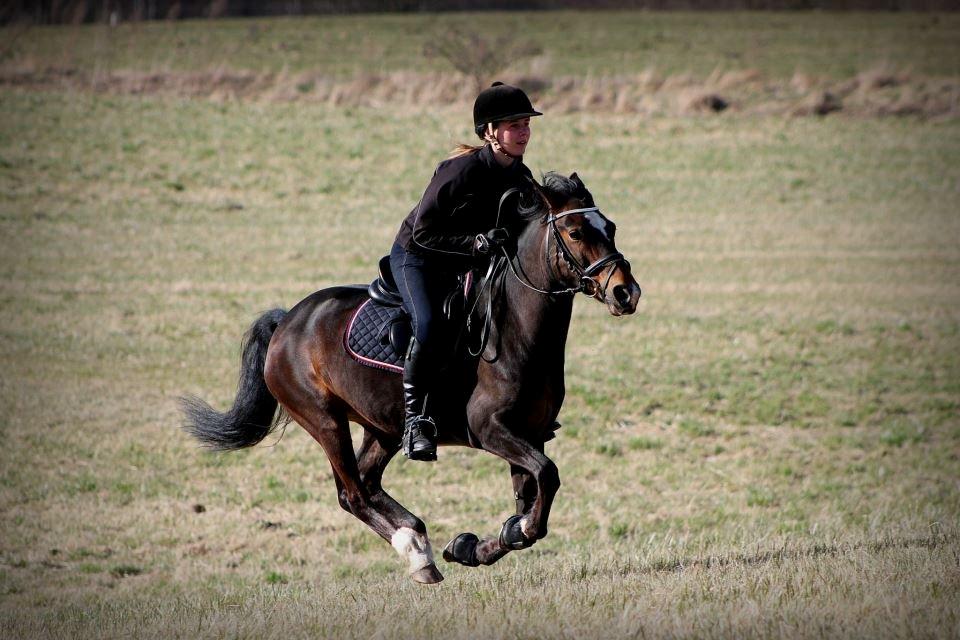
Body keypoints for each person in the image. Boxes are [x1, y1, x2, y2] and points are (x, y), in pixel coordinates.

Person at [390, 81, 543, 461]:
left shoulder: (521, 178)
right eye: (513, 125)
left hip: (466, 265)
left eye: (526, 124)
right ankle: (416, 420)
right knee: (428, 325)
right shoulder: (459, 171)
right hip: (418, 257)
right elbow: (424, 232)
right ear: (490, 132)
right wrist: (475, 243)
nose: (523, 132)